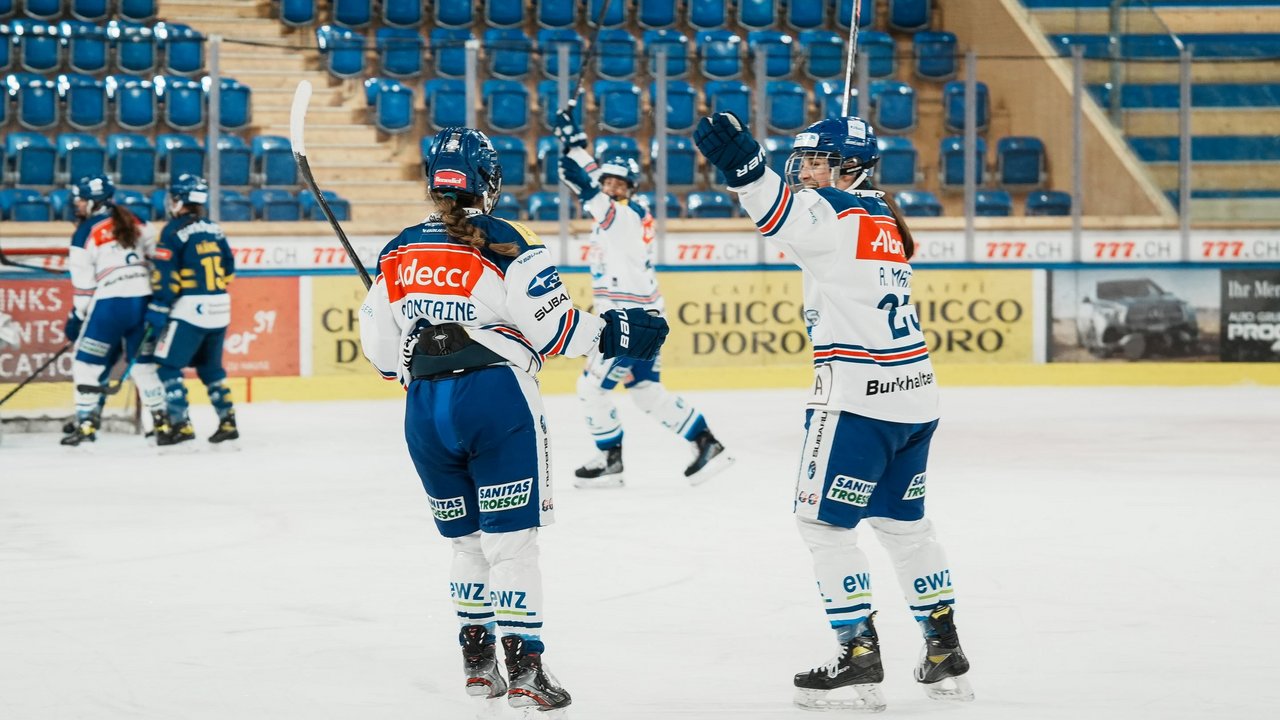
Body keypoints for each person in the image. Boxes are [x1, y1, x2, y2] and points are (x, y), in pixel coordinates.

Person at [358, 127, 669, 711]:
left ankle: (478, 668)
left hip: (424, 410)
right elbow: (557, 332)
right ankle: (525, 670)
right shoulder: (506, 241)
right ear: (487, 182)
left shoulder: (397, 249)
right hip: (494, 400)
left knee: (466, 544)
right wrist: (620, 330)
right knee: (512, 546)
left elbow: (380, 354)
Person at [693, 113, 974, 710]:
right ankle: (944, 648)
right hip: (916, 393)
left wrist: (746, 170)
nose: (806, 170)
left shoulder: (834, 212)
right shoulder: (880, 219)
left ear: (850, 165)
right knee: (906, 529)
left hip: (855, 398)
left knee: (822, 525)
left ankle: (858, 656)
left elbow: (776, 211)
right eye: (803, 161)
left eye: (817, 160)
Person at [554, 110, 734, 488]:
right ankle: (706, 443)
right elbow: (591, 182)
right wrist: (573, 141)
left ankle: (609, 460)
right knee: (646, 390)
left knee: (591, 388)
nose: (613, 187)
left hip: (630, 321)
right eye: (609, 182)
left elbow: (590, 191)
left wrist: (580, 179)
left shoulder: (625, 216)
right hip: (641, 316)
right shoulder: (617, 214)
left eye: (621, 184)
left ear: (631, 189)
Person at [61, 175, 166, 446]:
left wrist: (77, 317)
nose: (78, 205)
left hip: (110, 304)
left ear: (93, 201)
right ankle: (162, 423)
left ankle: (86, 424)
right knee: (143, 366)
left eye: (81, 200)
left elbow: (84, 287)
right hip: (142, 300)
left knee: (86, 364)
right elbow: (157, 260)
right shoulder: (138, 220)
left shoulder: (85, 232)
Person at [144, 174, 239, 446]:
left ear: (179, 200)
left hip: (190, 309)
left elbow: (166, 278)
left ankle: (181, 424)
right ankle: (228, 421)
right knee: (211, 369)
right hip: (221, 305)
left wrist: (158, 308)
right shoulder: (214, 228)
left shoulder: (172, 231)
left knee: (168, 367)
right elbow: (229, 269)